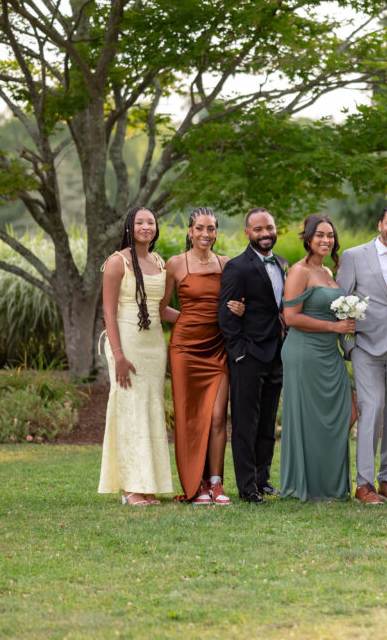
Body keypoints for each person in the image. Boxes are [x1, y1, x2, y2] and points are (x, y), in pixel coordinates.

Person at [161, 207, 245, 506]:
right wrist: (189, 319)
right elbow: (161, 308)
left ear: (216, 232)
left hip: (218, 347)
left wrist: (239, 310)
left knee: (219, 415)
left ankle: (216, 484)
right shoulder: (175, 264)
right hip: (185, 349)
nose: (205, 234)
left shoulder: (226, 264)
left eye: (211, 228)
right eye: (199, 228)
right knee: (189, 417)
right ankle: (195, 485)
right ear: (190, 231)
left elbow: (236, 303)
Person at [337, 204, 387, 505]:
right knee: (372, 409)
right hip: (366, 346)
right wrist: (349, 345)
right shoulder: (354, 256)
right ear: (380, 224)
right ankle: (364, 484)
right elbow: (341, 301)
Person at [98, 206, 173, 507]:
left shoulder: (159, 261)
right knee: (130, 410)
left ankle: (148, 484)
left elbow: (160, 310)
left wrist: (202, 319)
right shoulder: (117, 262)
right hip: (126, 343)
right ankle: (130, 487)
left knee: (151, 411)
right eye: (140, 222)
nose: (146, 226)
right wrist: (118, 355)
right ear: (130, 226)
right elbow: (108, 312)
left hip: (154, 345)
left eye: (151, 222)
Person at [278, 214, 356, 501]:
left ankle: (328, 483)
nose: (326, 240)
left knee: (345, 412)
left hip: (329, 352)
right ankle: (308, 485)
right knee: (308, 417)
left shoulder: (328, 271)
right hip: (304, 352)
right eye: (320, 235)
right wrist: (335, 327)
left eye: (330, 235)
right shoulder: (299, 271)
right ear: (308, 238)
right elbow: (291, 317)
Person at [218, 208, 288, 505]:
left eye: (269, 228)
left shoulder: (282, 263)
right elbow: (226, 314)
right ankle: (247, 487)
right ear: (247, 233)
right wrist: (239, 353)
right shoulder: (237, 267)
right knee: (246, 423)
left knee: (268, 422)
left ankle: (263, 479)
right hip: (248, 356)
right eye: (258, 229)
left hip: (277, 353)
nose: (265, 234)